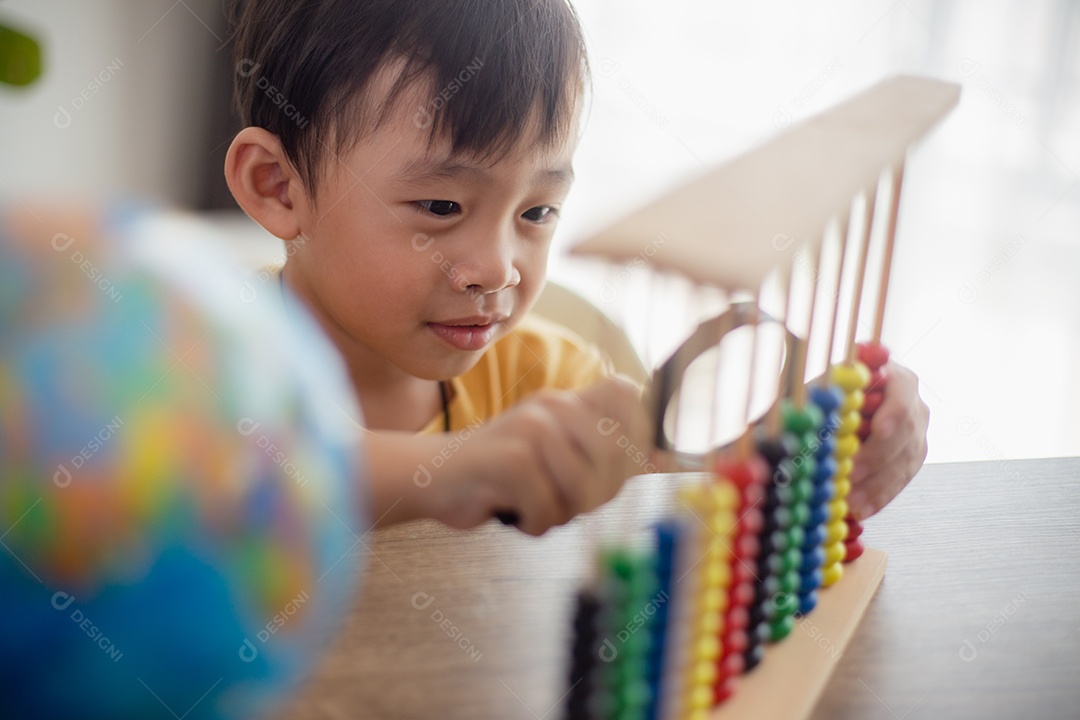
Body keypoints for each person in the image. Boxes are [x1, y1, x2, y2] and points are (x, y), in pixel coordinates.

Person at [222, 0, 928, 536]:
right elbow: (237, 475)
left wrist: (806, 450)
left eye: (537, 213)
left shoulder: (552, 382)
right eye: (440, 205)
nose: (497, 268)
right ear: (277, 187)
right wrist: (453, 470)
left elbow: (677, 507)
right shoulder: (192, 358)